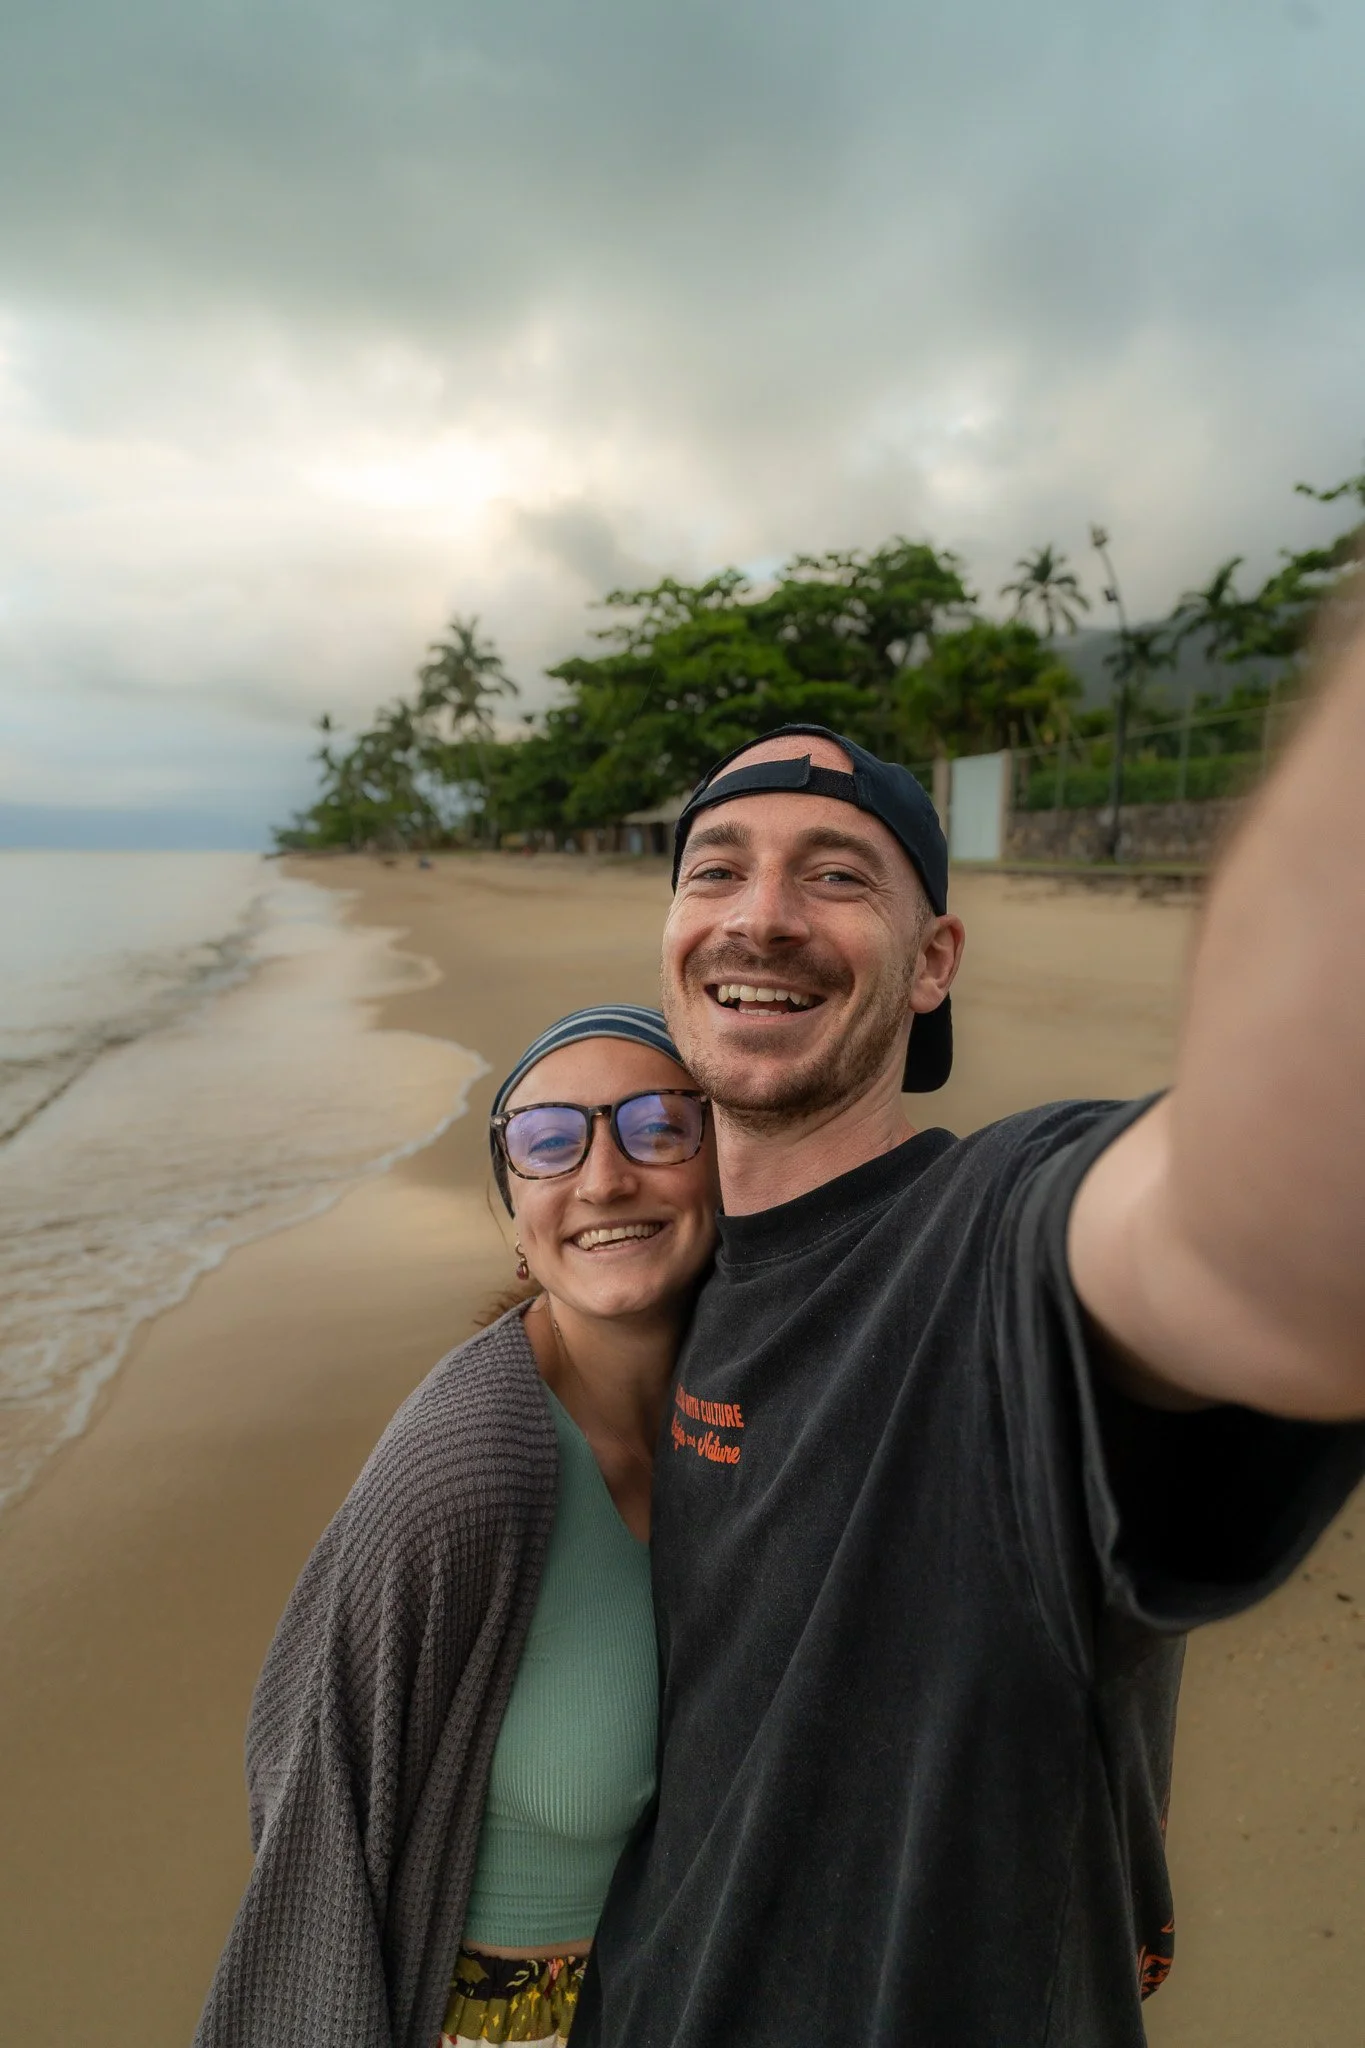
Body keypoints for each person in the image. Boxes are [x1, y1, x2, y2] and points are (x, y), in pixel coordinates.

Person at [574, 614, 1365, 2047]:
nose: (760, 916)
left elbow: (1285, 1243)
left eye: (835, 876)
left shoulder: (992, 1241)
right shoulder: (640, 1287)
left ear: (932, 959)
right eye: (717, 870)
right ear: (672, 933)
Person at [194, 1005, 718, 2048]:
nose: (605, 1176)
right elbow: (308, 1776)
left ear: (721, 1159)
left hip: (692, 1987)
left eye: (658, 1124)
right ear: (514, 1209)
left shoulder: (758, 1408)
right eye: (550, 1141)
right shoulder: (465, 1466)